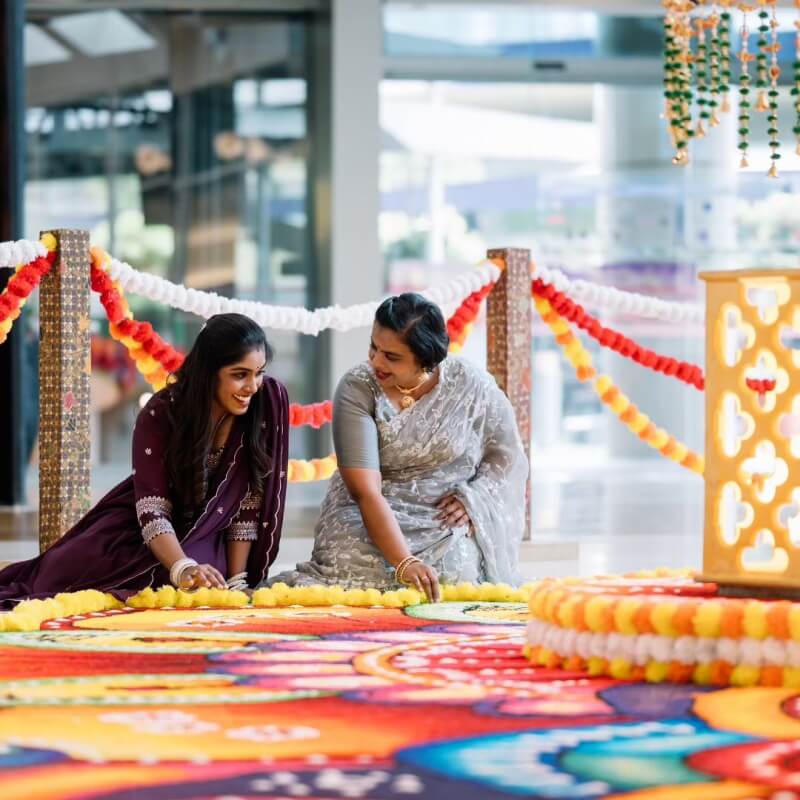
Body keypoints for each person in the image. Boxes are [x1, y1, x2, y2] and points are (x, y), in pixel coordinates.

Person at [0, 313, 289, 608]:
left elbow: (247, 504)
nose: (252, 386)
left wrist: (237, 581)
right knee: (61, 571)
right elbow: (152, 509)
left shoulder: (263, 405)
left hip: (209, 535)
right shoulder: (162, 412)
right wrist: (182, 567)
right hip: (143, 526)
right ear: (208, 372)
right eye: (240, 374)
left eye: (259, 372)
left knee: (205, 580)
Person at [268, 293, 528, 601]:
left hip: (438, 518)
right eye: (374, 347)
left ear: (427, 359)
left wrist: (474, 499)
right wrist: (404, 561)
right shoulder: (358, 387)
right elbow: (365, 491)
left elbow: (506, 456)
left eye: (392, 357)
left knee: (456, 573)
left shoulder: (472, 387)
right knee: (349, 559)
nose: (376, 361)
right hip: (364, 513)